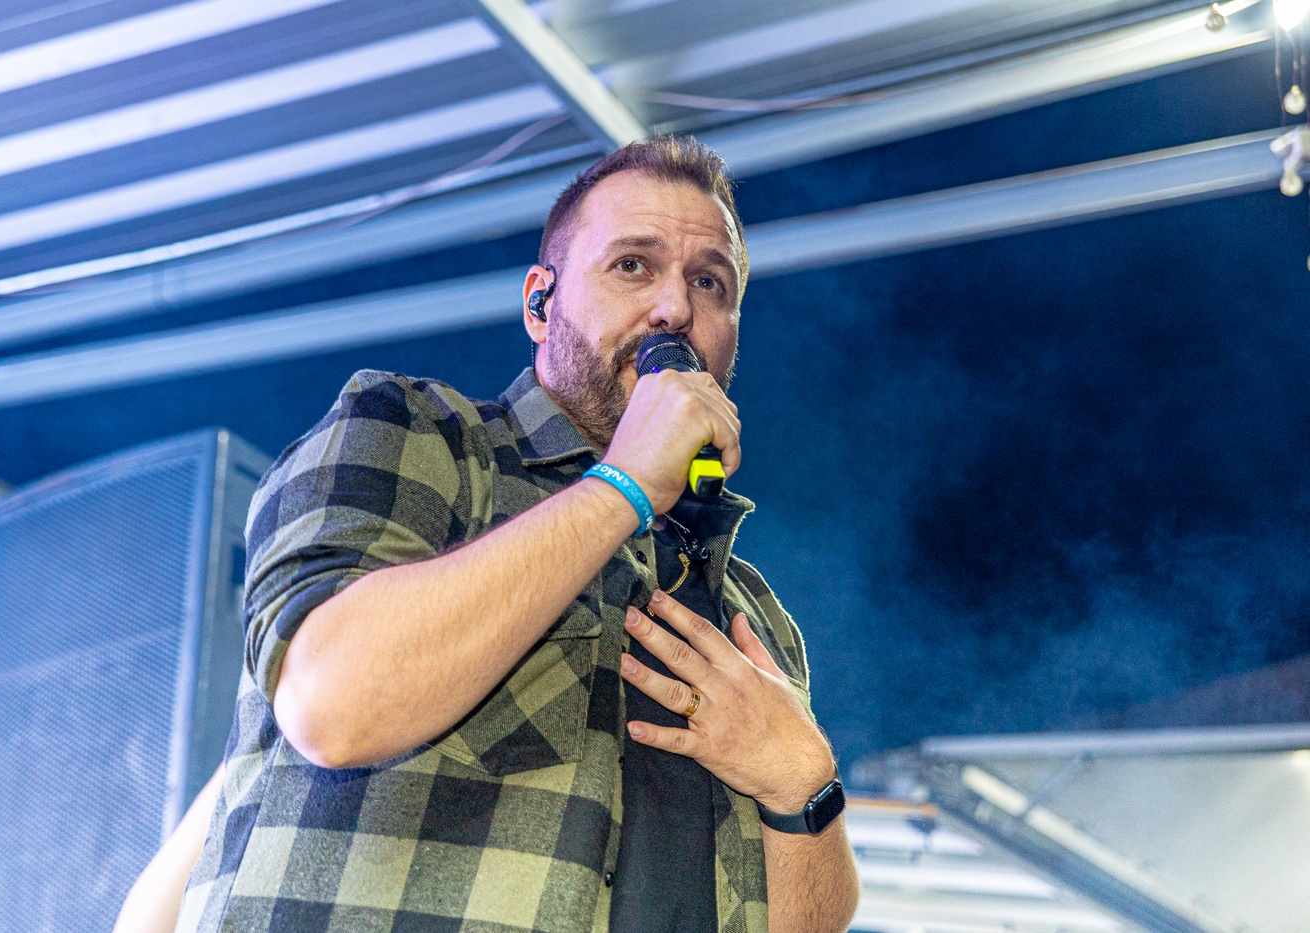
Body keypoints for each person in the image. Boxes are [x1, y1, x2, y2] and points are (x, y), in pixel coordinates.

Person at [167, 135, 859, 933]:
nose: (675, 308)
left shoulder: (752, 613)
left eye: (709, 281)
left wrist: (803, 782)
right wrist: (625, 484)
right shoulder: (416, 434)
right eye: (632, 265)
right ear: (539, 304)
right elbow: (332, 701)